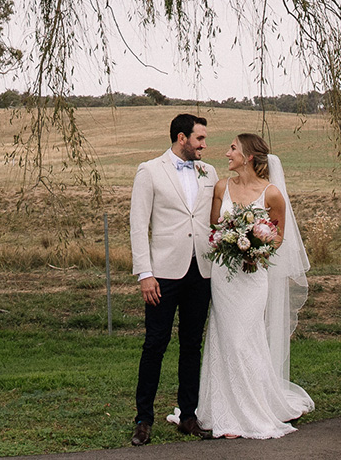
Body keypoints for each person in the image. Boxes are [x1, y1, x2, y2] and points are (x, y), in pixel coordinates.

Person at [196, 132, 315, 440]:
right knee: (225, 338)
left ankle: (250, 410)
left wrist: (256, 249)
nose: (226, 153)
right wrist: (228, 241)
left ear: (248, 155)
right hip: (225, 277)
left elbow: (278, 237)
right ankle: (223, 410)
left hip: (252, 276)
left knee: (245, 339)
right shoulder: (222, 187)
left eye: (232, 148)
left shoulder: (272, 194)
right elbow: (214, 229)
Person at [130, 113, 217, 445]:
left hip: (201, 271)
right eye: (199, 139)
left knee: (191, 345)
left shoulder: (209, 172)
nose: (204, 146)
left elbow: (211, 218)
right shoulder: (150, 171)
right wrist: (145, 273)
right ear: (182, 138)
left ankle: (188, 415)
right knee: (155, 344)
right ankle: (143, 419)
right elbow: (139, 225)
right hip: (163, 273)